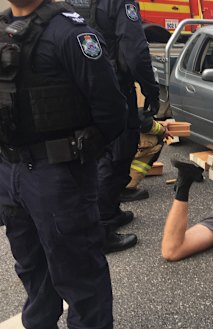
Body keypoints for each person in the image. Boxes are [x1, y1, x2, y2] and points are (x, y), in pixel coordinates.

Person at [0, 0, 127, 327]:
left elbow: (112, 110)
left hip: (58, 174)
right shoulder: (2, 30)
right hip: (10, 170)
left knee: (79, 272)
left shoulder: (71, 33)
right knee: (31, 266)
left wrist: (79, 154)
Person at [66, 0, 161, 252]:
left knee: (94, 151)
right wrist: (151, 89)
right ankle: (102, 226)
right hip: (112, 85)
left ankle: (109, 210)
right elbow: (135, 51)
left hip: (78, 86)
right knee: (118, 151)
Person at [120, 108, 173, 202]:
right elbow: (145, 124)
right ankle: (126, 188)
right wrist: (163, 131)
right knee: (154, 141)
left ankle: (108, 184)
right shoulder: (137, 99)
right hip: (123, 141)